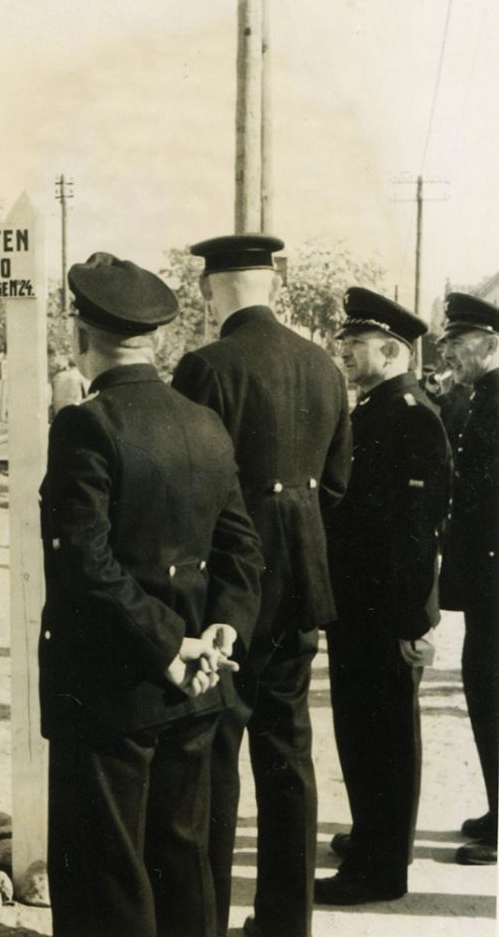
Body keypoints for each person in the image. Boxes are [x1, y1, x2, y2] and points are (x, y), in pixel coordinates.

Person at [39, 252, 264, 937]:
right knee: (183, 862)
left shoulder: (86, 424)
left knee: (107, 878)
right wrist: (222, 628)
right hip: (197, 687)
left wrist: (167, 646)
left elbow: (85, 562)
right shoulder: (203, 423)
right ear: (159, 339)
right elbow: (242, 548)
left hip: (112, 691)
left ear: (79, 335)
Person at [172, 234, 352, 937]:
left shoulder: (205, 367)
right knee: (287, 753)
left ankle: (207, 918)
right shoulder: (324, 367)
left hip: (228, 593)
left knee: (215, 756)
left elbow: (190, 491)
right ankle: (285, 922)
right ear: (271, 285)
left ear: (211, 289)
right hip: (301, 582)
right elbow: (335, 484)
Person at [319, 287, 451, 904]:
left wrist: (411, 622)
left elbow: (415, 534)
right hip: (362, 605)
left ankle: (381, 868)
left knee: (384, 736)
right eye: (344, 342)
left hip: (385, 610)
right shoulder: (380, 407)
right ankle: (373, 835)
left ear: (392, 350)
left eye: (355, 344)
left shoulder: (410, 415)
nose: (343, 351)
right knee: (364, 730)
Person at [438, 291, 499, 866]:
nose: (449, 352)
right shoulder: (484, 396)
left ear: (490, 343)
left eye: (458, 343)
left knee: (493, 689)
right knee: (485, 688)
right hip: (487, 577)